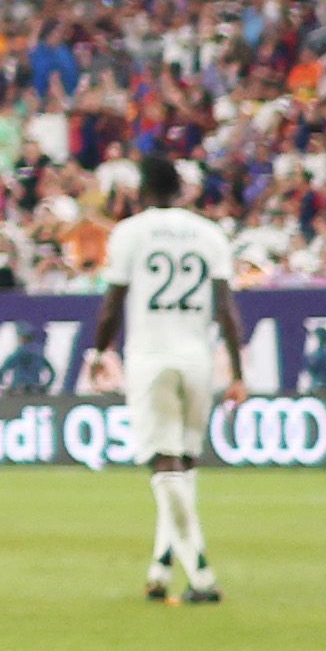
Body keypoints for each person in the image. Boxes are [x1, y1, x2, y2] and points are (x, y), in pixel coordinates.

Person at [99, 167, 236, 605]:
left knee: (164, 466)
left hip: (151, 356)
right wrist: (238, 371)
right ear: (182, 191)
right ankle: (160, 568)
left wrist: (97, 352)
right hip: (197, 358)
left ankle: (199, 573)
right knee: (183, 465)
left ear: (142, 192)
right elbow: (226, 307)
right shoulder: (209, 233)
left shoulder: (130, 232)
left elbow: (113, 303)